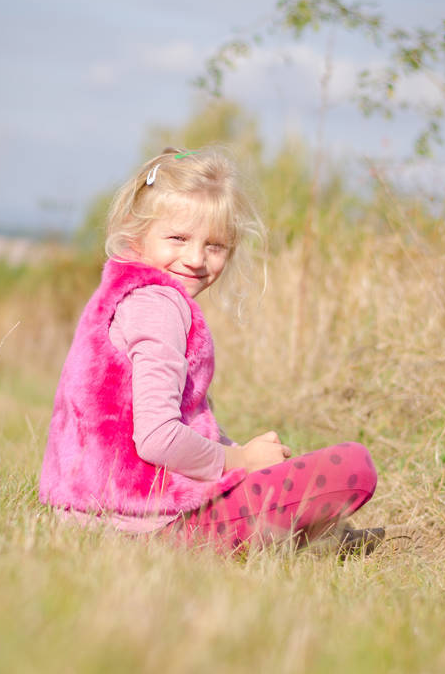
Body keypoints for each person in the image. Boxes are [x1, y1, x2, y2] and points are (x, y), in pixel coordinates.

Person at [39, 146, 380, 554]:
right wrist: (242, 463)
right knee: (353, 468)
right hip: (140, 524)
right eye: (178, 238)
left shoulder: (125, 293)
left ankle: (310, 539)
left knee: (279, 471)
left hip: (89, 511)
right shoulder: (158, 308)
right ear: (135, 232)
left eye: (215, 245)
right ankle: (299, 538)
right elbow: (157, 438)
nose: (197, 258)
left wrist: (239, 453)